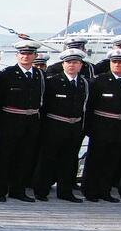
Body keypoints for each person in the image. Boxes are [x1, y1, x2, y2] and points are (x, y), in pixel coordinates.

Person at [32, 48, 88, 202]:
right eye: (68, 62)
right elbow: (43, 107)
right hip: (54, 126)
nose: (71, 65)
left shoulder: (84, 83)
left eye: (75, 62)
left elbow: (85, 107)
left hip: (74, 127)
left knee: (69, 161)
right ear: (63, 64)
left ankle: (65, 192)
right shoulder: (52, 82)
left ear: (81, 65)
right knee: (47, 159)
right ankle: (41, 191)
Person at [0, 40, 45, 202]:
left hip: (31, 121)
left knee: (25, 156)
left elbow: (42, 99)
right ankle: (0, 191)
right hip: (10, 119)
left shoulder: (39, 75)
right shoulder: (7, 74)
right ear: (17, 56)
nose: (26, 56)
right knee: (4, 156)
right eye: (22, 54)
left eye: (29, 54)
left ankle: (18, 190)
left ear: (35, 56)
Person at [82, 49, 121, 202]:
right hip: (101, 126)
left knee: (112, 160)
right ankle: (90, 191)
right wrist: (89, 128)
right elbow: (89, 106)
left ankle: (104, 191)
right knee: (95, 159)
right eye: (114, 62)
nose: (117, 65)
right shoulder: (99, 81)